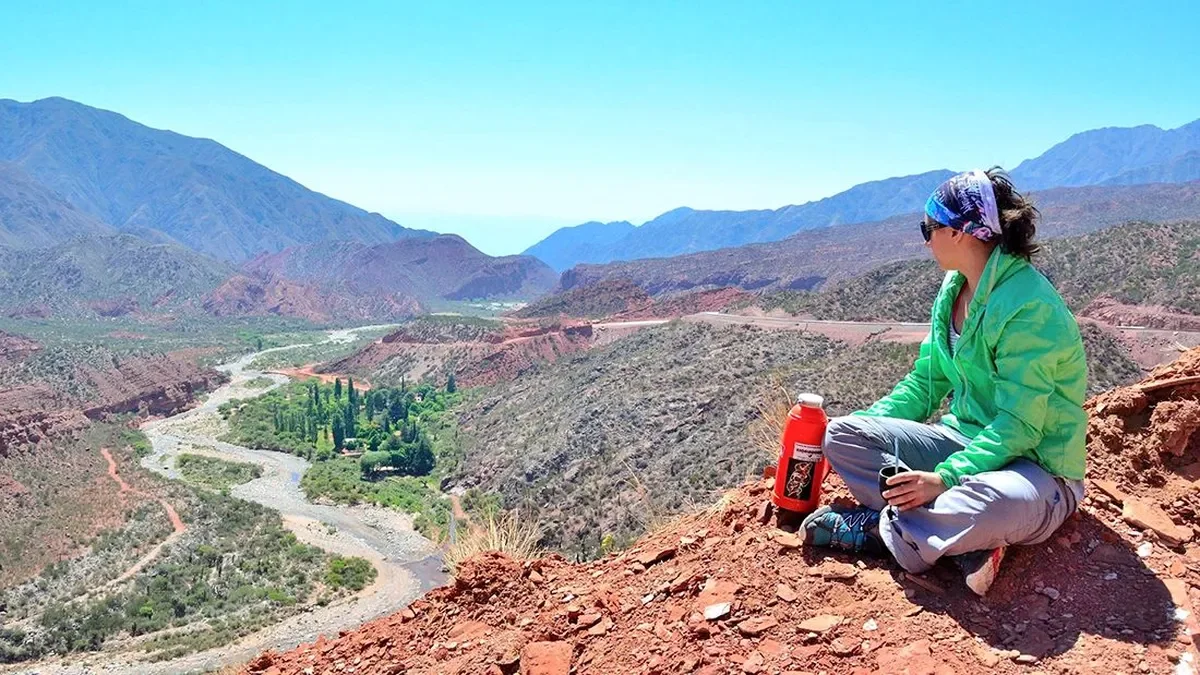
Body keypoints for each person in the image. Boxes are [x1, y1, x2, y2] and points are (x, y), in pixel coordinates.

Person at [799, 168, 1087, 596]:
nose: (926, 238)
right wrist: (866, 426)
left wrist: (947, 478)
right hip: (964, 441)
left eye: (929, 227)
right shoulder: (954, 288)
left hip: (1035, 469)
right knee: (841, 434)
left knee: (992, 503)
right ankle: (957, 541)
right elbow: (925, 382)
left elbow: (1019, 426)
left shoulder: (1029, 307)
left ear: (962, 232)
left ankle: (883, 532)